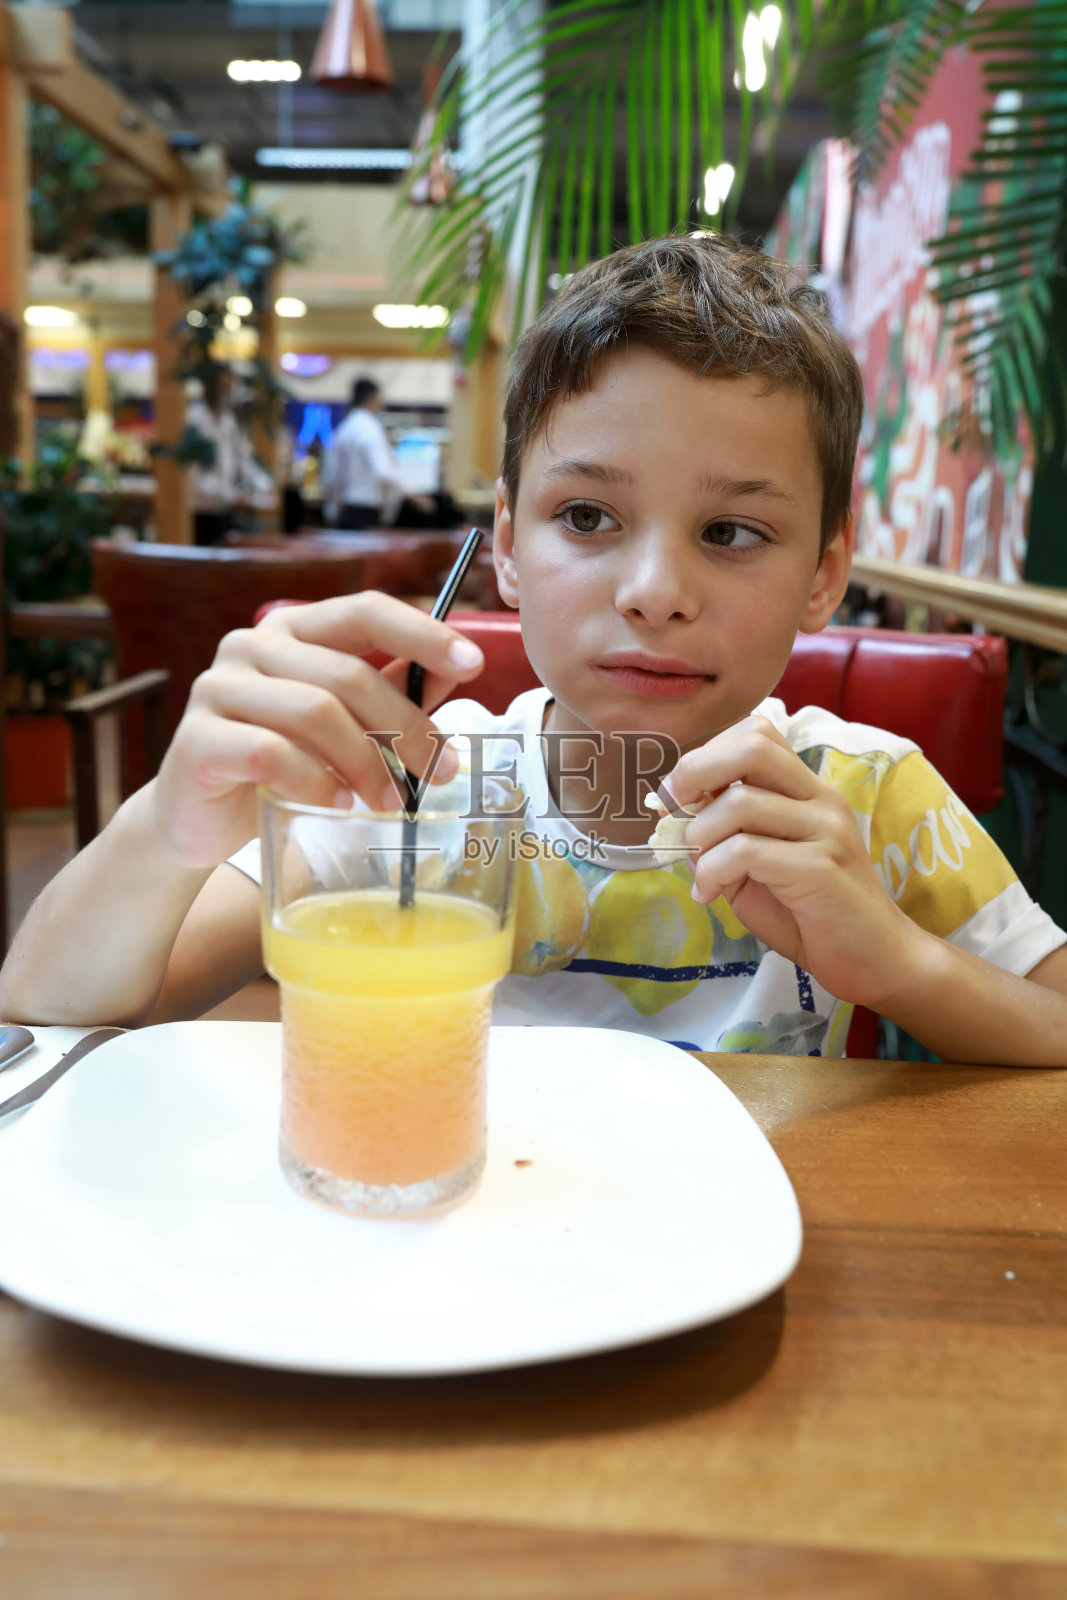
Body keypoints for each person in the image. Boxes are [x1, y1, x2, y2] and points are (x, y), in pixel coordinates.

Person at [4, 233, 1067, 1065]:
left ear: (824, 573)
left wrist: (896, 962)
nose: (653, 593)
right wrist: (166, 823)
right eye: (589, 518)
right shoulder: (418, 789)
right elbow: (57, 1008)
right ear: (506, 547)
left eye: (731, 532)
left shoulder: (868, 797)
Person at [321, 377, 435, 531]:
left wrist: (332, 507)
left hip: (345, 511)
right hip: (364, 513)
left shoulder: (344, 429)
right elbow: (383, 472)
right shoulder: (370, 429)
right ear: (372, 398)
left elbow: (331, 474)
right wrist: (413, 496)